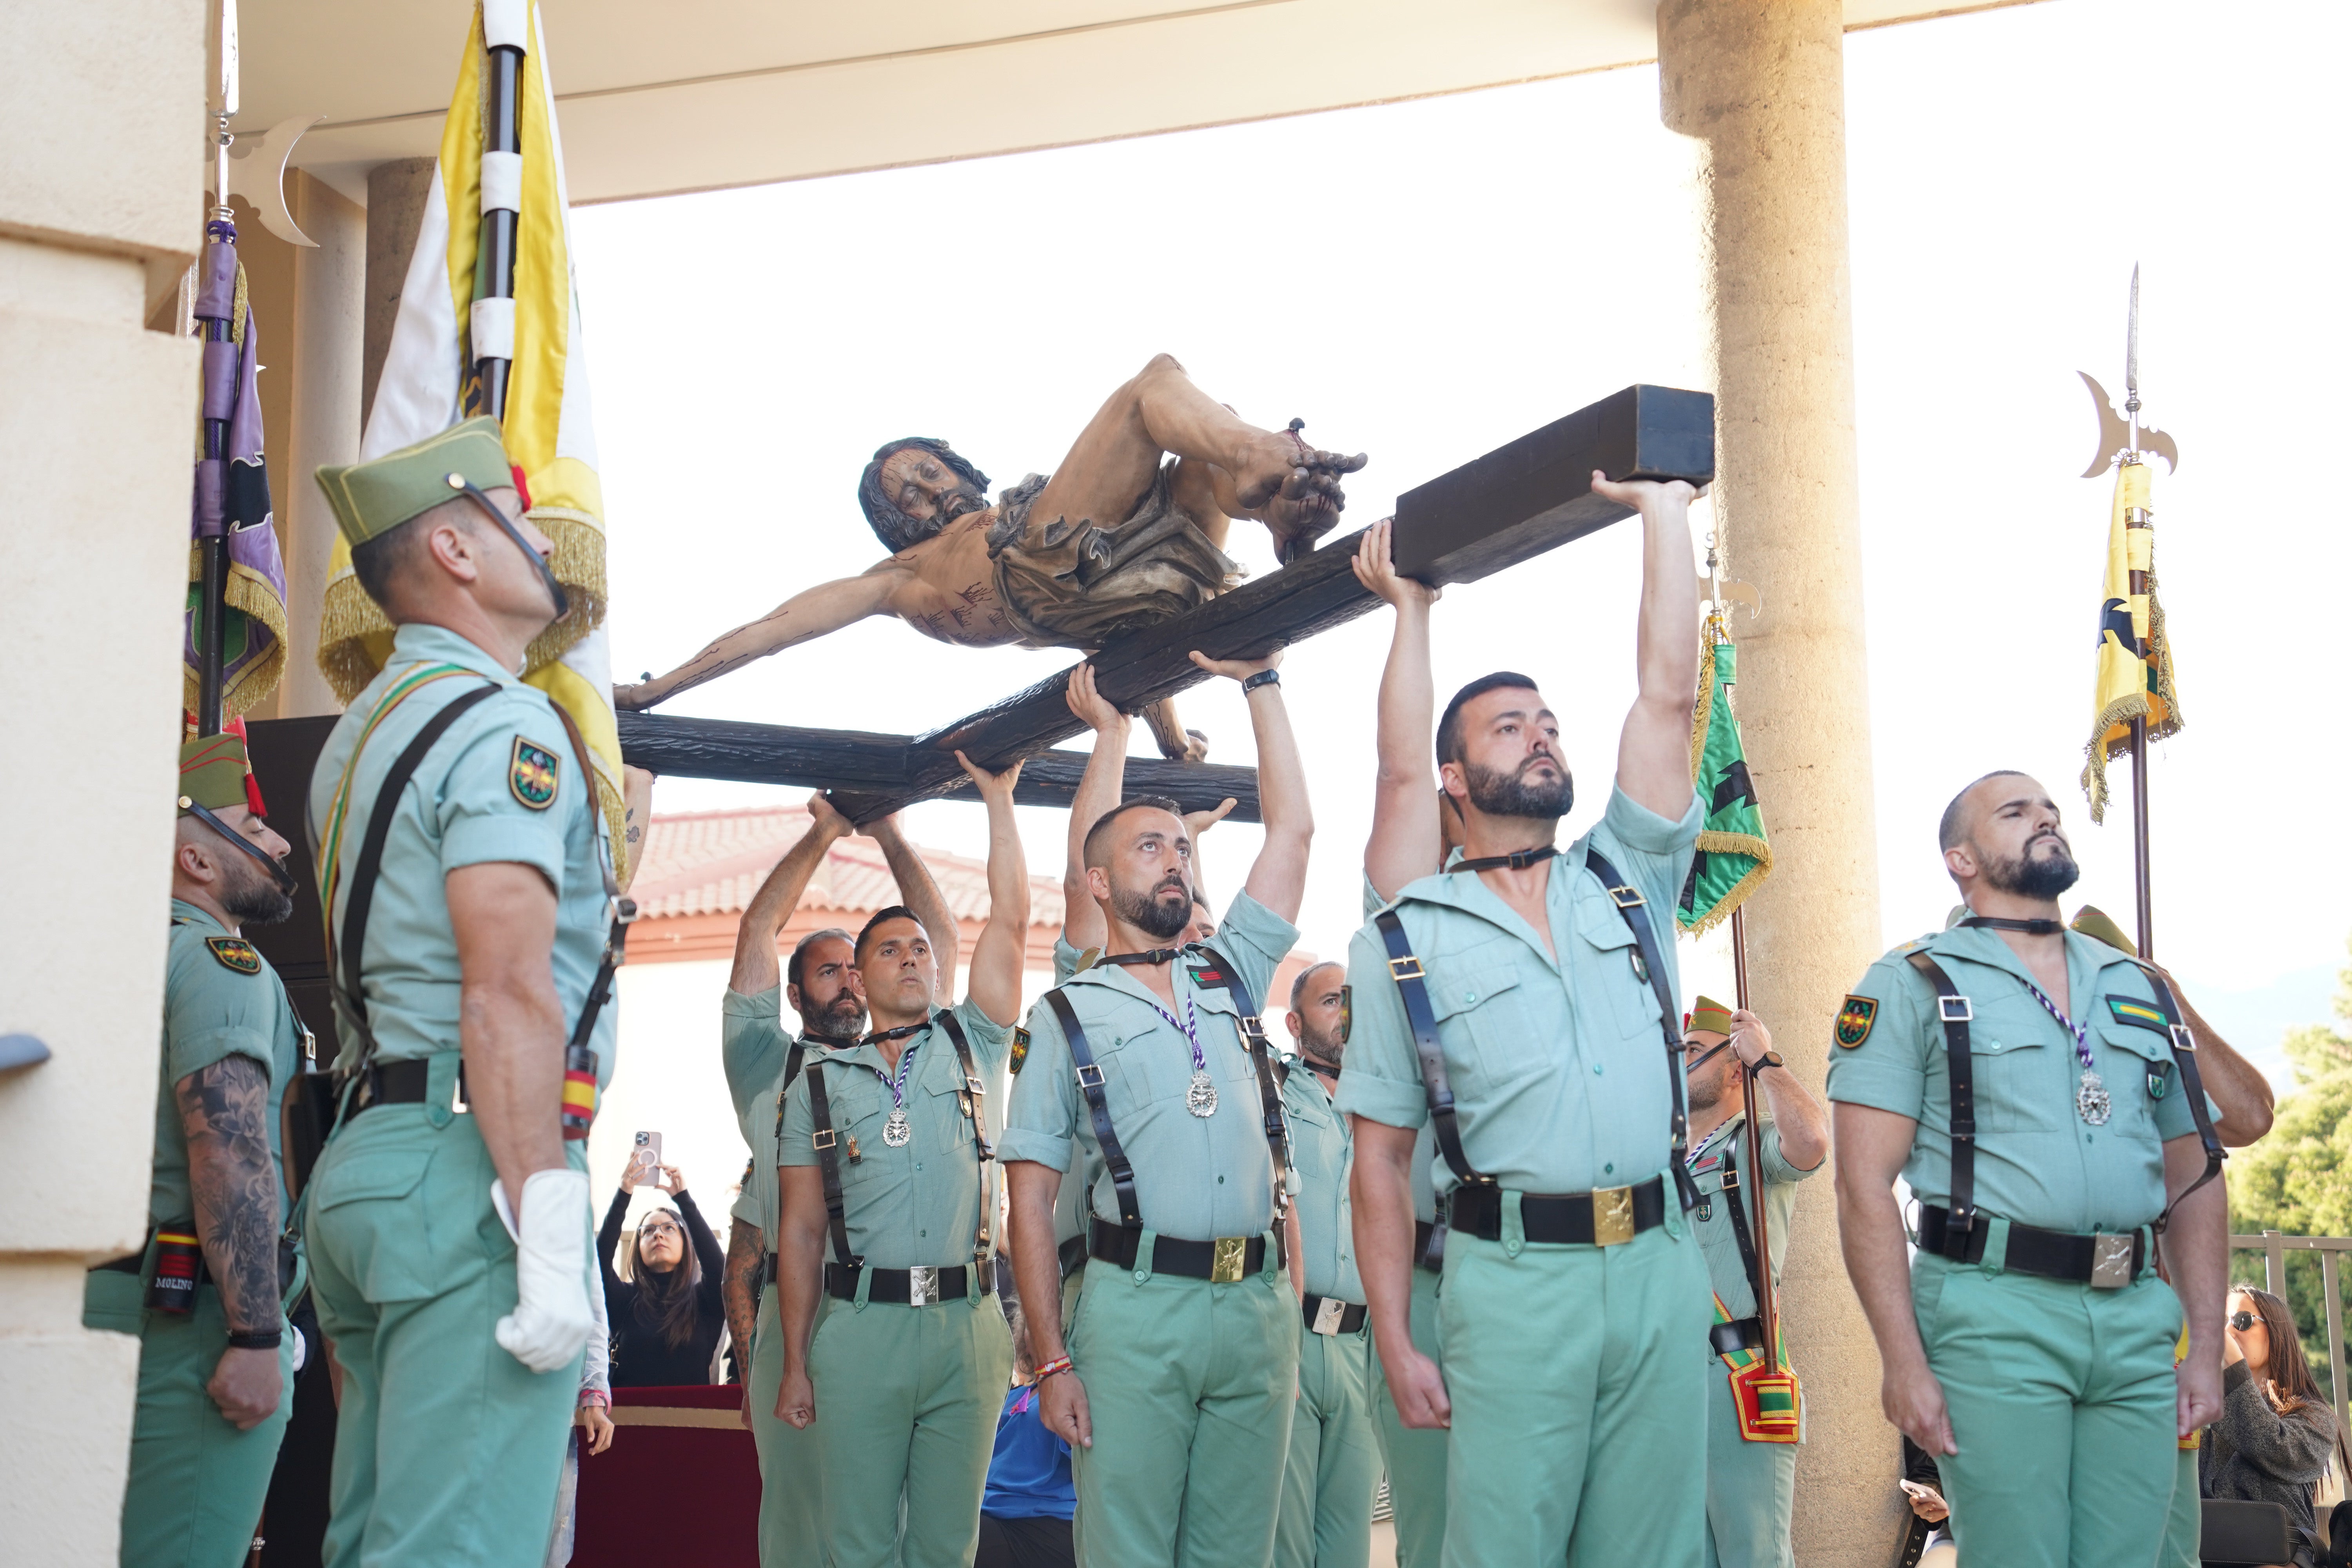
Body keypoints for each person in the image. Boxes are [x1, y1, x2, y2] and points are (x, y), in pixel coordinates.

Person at [1339, 474, 1710, 1568]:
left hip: (1658, 1262)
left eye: (1549, 723)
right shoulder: (1408, 930)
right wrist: (1398, 1334)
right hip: (1511, 1284)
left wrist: (1663, 513)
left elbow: (1667, 700)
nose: (1543, 737)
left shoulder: (1627, 878)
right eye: (1511, 728)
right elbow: (1380, 1160)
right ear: (1463, 779)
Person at [303, 416, 614, 1565]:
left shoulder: (365, 731)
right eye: (517, 522)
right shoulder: (502, 722)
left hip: (373, 1155)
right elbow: (507, 990)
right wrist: (543, 1225)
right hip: (468, 1159)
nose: (543, 544)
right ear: (456, 550)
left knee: (383, 1538)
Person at [1829, 770, 2229, 1568]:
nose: (2046, 818)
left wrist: (2209, 1349)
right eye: (2015, 811)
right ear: (1961, 858)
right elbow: (1862, 1184)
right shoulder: (1914, 982)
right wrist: (1902, 1361)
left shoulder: (2138, 985)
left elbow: (2196, 1177)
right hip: (1990, 1311)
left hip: (2135, 1314)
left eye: (2052, 809)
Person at [614, 354, 1367, 760]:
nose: (924, 493)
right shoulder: (901, 576)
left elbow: (1128, 641)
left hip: (1151, 576)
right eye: (903, 496)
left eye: (928, 472)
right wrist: (661, 692)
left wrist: (1173, 742)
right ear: (891, 527)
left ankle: (1279, 509)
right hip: (1034, 565)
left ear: (959, 466)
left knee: (1204, 437)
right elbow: (781, 627)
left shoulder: (1013, 501)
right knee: (1157, 383)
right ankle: (1276, 470)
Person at [1001, 647, 1314, 1568]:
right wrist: (1052, 1357)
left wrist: (1261, 682)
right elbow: (1027, 1200)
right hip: (1134, 1310)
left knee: (1237, 1554)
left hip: (1255, 1310)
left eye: (1182, 845)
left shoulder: (1231, 972)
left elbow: (1293, 833)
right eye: (1149, 845)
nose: (1174, 858)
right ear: (1099, 883)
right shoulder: (1066, 1012)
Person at [772, 753, 1030, 1568]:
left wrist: (999, 801)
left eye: (921, 947)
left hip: (968, 1329)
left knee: (949, 1544)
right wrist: (798, 1363)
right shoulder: (817, 1083)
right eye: (891, 950)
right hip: (859, 1333)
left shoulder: (976, 1041)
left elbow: (1012, 921)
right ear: (862, 973)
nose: (913, 957)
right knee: (859, 1543)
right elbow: (804, 1234)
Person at [717, 795, 960, 1566]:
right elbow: (756, 931)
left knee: (894, 1523)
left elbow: (938, 937)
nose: (853, 982)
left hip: (898, 1318)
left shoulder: (917, 1051)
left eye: (860, 967)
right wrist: (826, 830)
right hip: (800, 1321)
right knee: (798, 1522)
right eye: (831, 971)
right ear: (795, 996)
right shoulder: (767, 1059)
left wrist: (889, 831)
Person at [85, 733, 305, 1568]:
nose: (280, 843)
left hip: (100, 1302)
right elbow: (230, 1147)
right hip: (186, 1327)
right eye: (255, 822)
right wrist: (256, 1333)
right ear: (196, 858)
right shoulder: (221, 963)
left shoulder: (107, 966)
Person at [2067, 902, 2278, 1568]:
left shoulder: (2151, 1053)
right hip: (2052, 1325)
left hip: (2147, 1324)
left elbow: (2250, 1114)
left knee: (2167, 1550)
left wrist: (2170, 999)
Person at [1348, 517, 1452, 1568]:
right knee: (1438, 1532)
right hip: (1442, 1275)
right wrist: (1410, 617)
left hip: (1577, 1275)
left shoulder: (1571, 901)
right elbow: (1401, 777)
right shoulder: (1417, 927)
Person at [1679, 996, 1827, 1568]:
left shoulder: (1752, 1142)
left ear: (1732, 1065)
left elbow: (1812, 1143)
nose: (1680, 1060)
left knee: (1753, 1556)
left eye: (1695, 1050)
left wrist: (1768, 1061)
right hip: (1670, 1380)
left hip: (1736, 1373)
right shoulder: (1668, 1160)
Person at [1277, 960, 1381, 1568]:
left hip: (1360, 1348)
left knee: (1348, 1547)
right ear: (1294, 1022)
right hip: (1291, 1335)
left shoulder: (1384, 1103)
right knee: (1285, 1543)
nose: (1345, 1014)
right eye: (1330, 1002)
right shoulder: (1272, 1092)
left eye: (1352, 1003)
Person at [2202, 1286, 2348, 1567]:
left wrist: (2233, 1367)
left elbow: (2271, 1445)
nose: (2227, 1332)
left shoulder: (2315, 1418)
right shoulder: (2203, 1412)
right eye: (2220, 1322)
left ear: (2277, 1333)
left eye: (2240, 1321)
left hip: (2281, 1558)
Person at [597, 1163, 726, 1386]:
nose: (658, 1234)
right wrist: (624, 1191)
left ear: (686, 1242)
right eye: (648, 1231)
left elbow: (718, 1270)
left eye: (669, 1228)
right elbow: (598, 1263)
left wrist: (684, 1200)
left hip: (692, 1418)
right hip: (628, 1419)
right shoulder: (624, 1300)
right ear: (638, 1248)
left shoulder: (705, 1301)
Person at [978, 1297, 1079, 1568]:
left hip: (1043, 1521)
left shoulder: (1074, 1398)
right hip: (987, 1512)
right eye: (1030, 1324)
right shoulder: (1012, 1397)